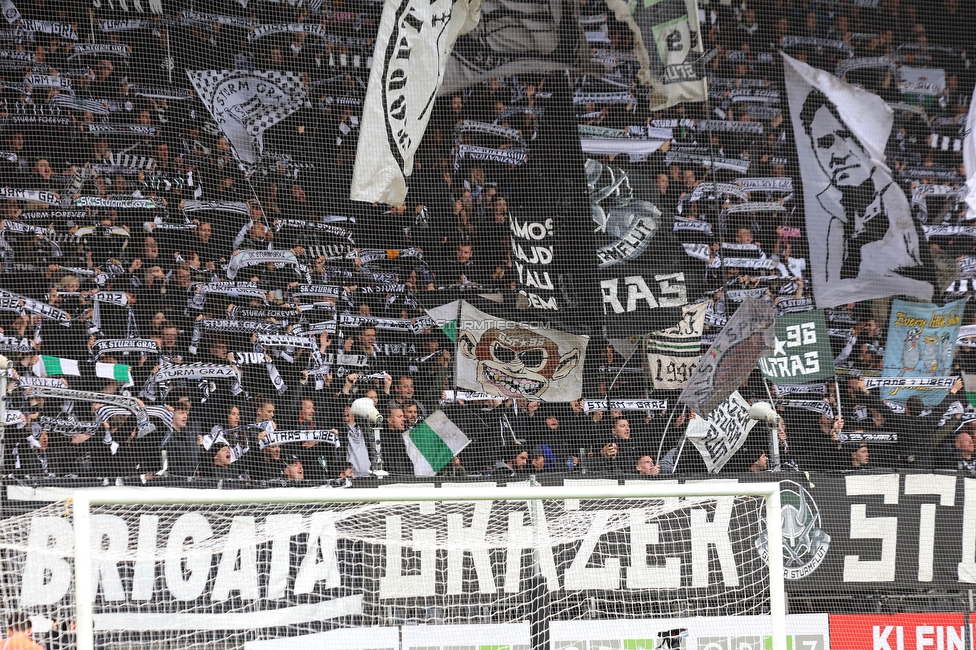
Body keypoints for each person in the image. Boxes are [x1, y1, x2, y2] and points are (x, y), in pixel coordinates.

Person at [797, 88, 932, 294]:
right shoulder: (827, 214)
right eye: (824, 143)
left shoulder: (900, 201)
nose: (837, 155)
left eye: (846, 138)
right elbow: (831, 287)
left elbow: (923, 278)